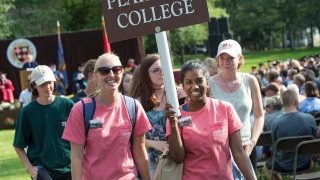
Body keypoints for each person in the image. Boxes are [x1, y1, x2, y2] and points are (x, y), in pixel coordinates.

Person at [62, 53, 152, 180]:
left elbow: (140, 152)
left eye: (116, 69)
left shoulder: (134, 107)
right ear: (95, 76)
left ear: (122, 72)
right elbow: (76, 157)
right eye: (104, 71)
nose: (111, 75)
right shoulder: (81, 109)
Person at [165, 60, 256, 179]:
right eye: (188, 82)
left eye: (199, 81)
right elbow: (177, 158)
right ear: (183, 86)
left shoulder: (225, 108)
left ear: (207, 83)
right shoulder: (176, 116)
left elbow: (239, 152)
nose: (195, 86)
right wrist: (173, 125)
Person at [208, 39, 264, 171]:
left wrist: (252, 142)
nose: (225, 62)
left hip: (246, 147)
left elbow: (259, 115)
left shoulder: (250, 80)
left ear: (240, 59)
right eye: (222, 58)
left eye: (230, 58)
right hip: (220, 148)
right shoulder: (209, 83)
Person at [13, 65, 74, 180]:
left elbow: (83, 137)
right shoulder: (27, 112)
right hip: (43, 170)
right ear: (34, 85)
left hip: (70, 168)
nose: (48, 87)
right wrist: (30, 168)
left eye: (50, 82)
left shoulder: (68, 105)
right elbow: (18, 145)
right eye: (42, 84)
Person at [130, 53, 186, 178]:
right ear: (146, 74)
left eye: (163, 68)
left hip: (183, 158)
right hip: (154, 162)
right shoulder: (138, 102)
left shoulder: (178, 94)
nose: (161, 73)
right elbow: (131, 137)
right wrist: (155, 144)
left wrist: (186, 100)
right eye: (156, 70)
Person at [266, 89, 317, 180]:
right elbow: (314, 142)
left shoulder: (276, 123)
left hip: (283, 166)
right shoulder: (310, 119)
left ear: (283, 104)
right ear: (296, 102)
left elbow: (274, 148)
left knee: (267, 167)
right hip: (306, 164)